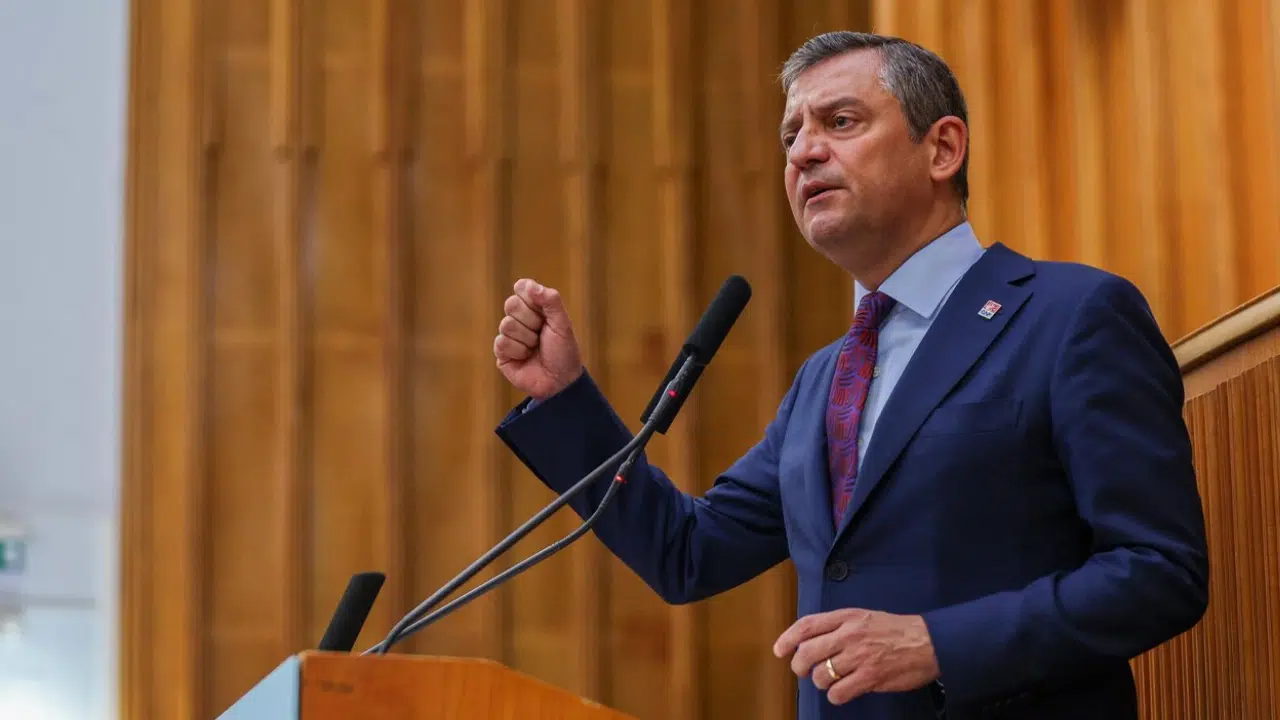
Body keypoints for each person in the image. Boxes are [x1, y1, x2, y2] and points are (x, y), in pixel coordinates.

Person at [490, 31, 1208, 720]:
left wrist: (937, 644)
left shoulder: (1069, 315)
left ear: (943, 148)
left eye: (839, 122)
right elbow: (688, 552)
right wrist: (566, 399)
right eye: (791, 136)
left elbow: (1159, 570)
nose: (804, 152)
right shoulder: (823, 379)